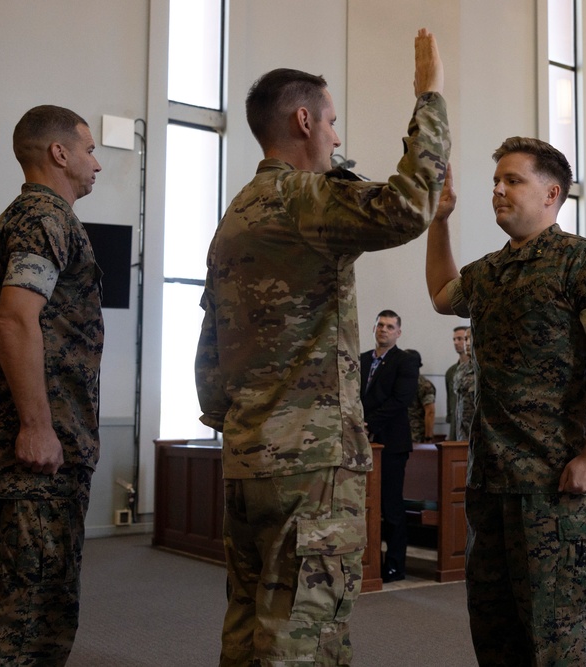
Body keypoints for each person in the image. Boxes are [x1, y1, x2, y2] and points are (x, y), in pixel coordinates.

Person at [194, 30, 450, 666]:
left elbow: (210, 345)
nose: (337, 137)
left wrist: (236, 422)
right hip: (309, 463)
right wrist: (430, 97)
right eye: (332, 122)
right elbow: (408, 205)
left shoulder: (237, 215)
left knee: (250, 626)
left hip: (249, 456)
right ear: (303, 120)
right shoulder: (298, 197)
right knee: (303, 635)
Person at [426, 138, 586, 666]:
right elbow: (441, 296)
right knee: (494, 628)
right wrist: (439, 220)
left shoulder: (584, 262)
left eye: (512, 180)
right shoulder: (490, 271)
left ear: (551, 193)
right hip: (491, 480)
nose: (497, 189)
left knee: (553, 634)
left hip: (554, 483)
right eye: (495, 180)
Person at [0, 105, 104, 665]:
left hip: (26, 450)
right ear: (59, 153)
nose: (96, 164)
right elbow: (15, 318)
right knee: (34, 611)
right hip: (40, 455)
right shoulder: (46, 220)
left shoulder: (20, 219)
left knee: (7, 597)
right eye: (89, 150)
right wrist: (39, 428)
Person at [361, 311, 421, 582]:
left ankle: (395, 565)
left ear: (398, 332)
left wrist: (366, 423)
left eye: (390, 326)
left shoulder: (405, 361)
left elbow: (401, 400)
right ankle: (365, 561)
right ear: (374, 328)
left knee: (391, 507)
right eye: (380, 325)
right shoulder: (361, 360)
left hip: (391, 444)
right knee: (362, 505)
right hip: (360, 442)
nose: (384, 330)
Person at [445, 325, 470, 439]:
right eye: (454, 339)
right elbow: (450, 399)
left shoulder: (477, 369)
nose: (456, 342)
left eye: (460, 339)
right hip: (455, 424)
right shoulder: (451, 371)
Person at [407, 353, 437, 444]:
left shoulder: (424, 385)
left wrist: (428, 437)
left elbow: (430, 412)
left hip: (417, 435)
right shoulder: (400, 383)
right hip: (402, 434)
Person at [453, 328, 476, 441]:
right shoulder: (461, 369)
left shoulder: (485, 369)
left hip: (479, 432)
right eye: (465, 339)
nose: (467, 343)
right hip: (462, 431)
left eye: (470, 339)